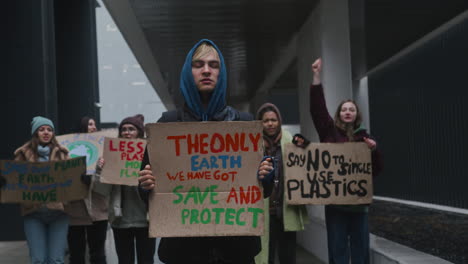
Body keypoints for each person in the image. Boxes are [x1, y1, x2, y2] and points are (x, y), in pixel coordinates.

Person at [137, 39, 274, 264]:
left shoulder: (244, 124)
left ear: (222, 73)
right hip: (184, 251)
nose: (207, 70)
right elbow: (147, 190)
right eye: (199, 64)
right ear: (188, 73)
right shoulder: (168, 126)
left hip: (235, 251)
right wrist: (145, 184)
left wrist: (267, 176)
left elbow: (262, 191)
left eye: (214, 65)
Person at [305, 58, 383, 264]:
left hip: (359, 207)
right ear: (339, 113)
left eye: (352, 109)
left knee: (360, 253)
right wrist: (316, 77)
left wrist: (374, 151)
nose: (347, 112)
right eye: (344, 109)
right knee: (337, 251)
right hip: (336, 207)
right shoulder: (329, 131)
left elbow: (376, 170)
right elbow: (317, 109)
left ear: (356, 115)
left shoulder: (367, 138)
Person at [95, 114, 156, 264]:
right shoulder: (111, 156)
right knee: (124, 260)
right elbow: (102, 191)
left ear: (139, 133)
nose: (127, 132)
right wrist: (100, 172)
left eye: (131, 129)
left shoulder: (152, 154)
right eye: (123, 129)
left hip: (146, 219)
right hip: (120, 219)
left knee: (146, 260)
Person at [255, 103, 308, 264]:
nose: (270, 124)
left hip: (285, 210)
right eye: (265, 121)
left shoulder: (292, 138)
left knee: (288, 256)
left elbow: (313, 155)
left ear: (279, 121)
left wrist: (305, 145)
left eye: (273, 120)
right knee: (265, 255)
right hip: (263, 210)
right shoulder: (253, 143)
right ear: (260, 123)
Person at [14, 116, 70, 263]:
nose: (46, 132)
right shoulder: (21, 155)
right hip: (33, 213)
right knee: (38, 259)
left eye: (49, 130)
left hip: (58, 213)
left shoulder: (63, 154)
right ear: (35, 133)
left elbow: (72, 180)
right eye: (41, 129)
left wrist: (82, 179)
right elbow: (14, 180)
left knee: (56, 259)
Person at [65, 116, 108, 264]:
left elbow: (107, 183)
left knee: (98, 254)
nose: (94, 127)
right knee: (76, 254)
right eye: (90, 124)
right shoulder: (66, 150)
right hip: (75, 209)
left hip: (98, 209)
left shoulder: (103, 148)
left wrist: (99, 170)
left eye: (95, 124)